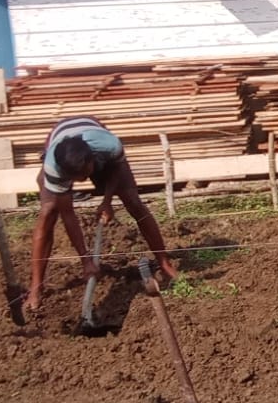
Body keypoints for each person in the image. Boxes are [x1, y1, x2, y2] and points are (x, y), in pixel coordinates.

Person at [25, 117, 180, 312]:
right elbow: (68, 214)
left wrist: (107, 201)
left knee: (133, 201)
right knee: (48, 212)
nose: (82, 180)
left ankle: (164, 263)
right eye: (76, 178)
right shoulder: (54, 167)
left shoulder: (110, 146)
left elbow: (116, 169)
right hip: (60, 145)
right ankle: (36, 287)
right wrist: (86, 261)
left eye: (84, 174)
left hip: (98, 143)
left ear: (92, 159)